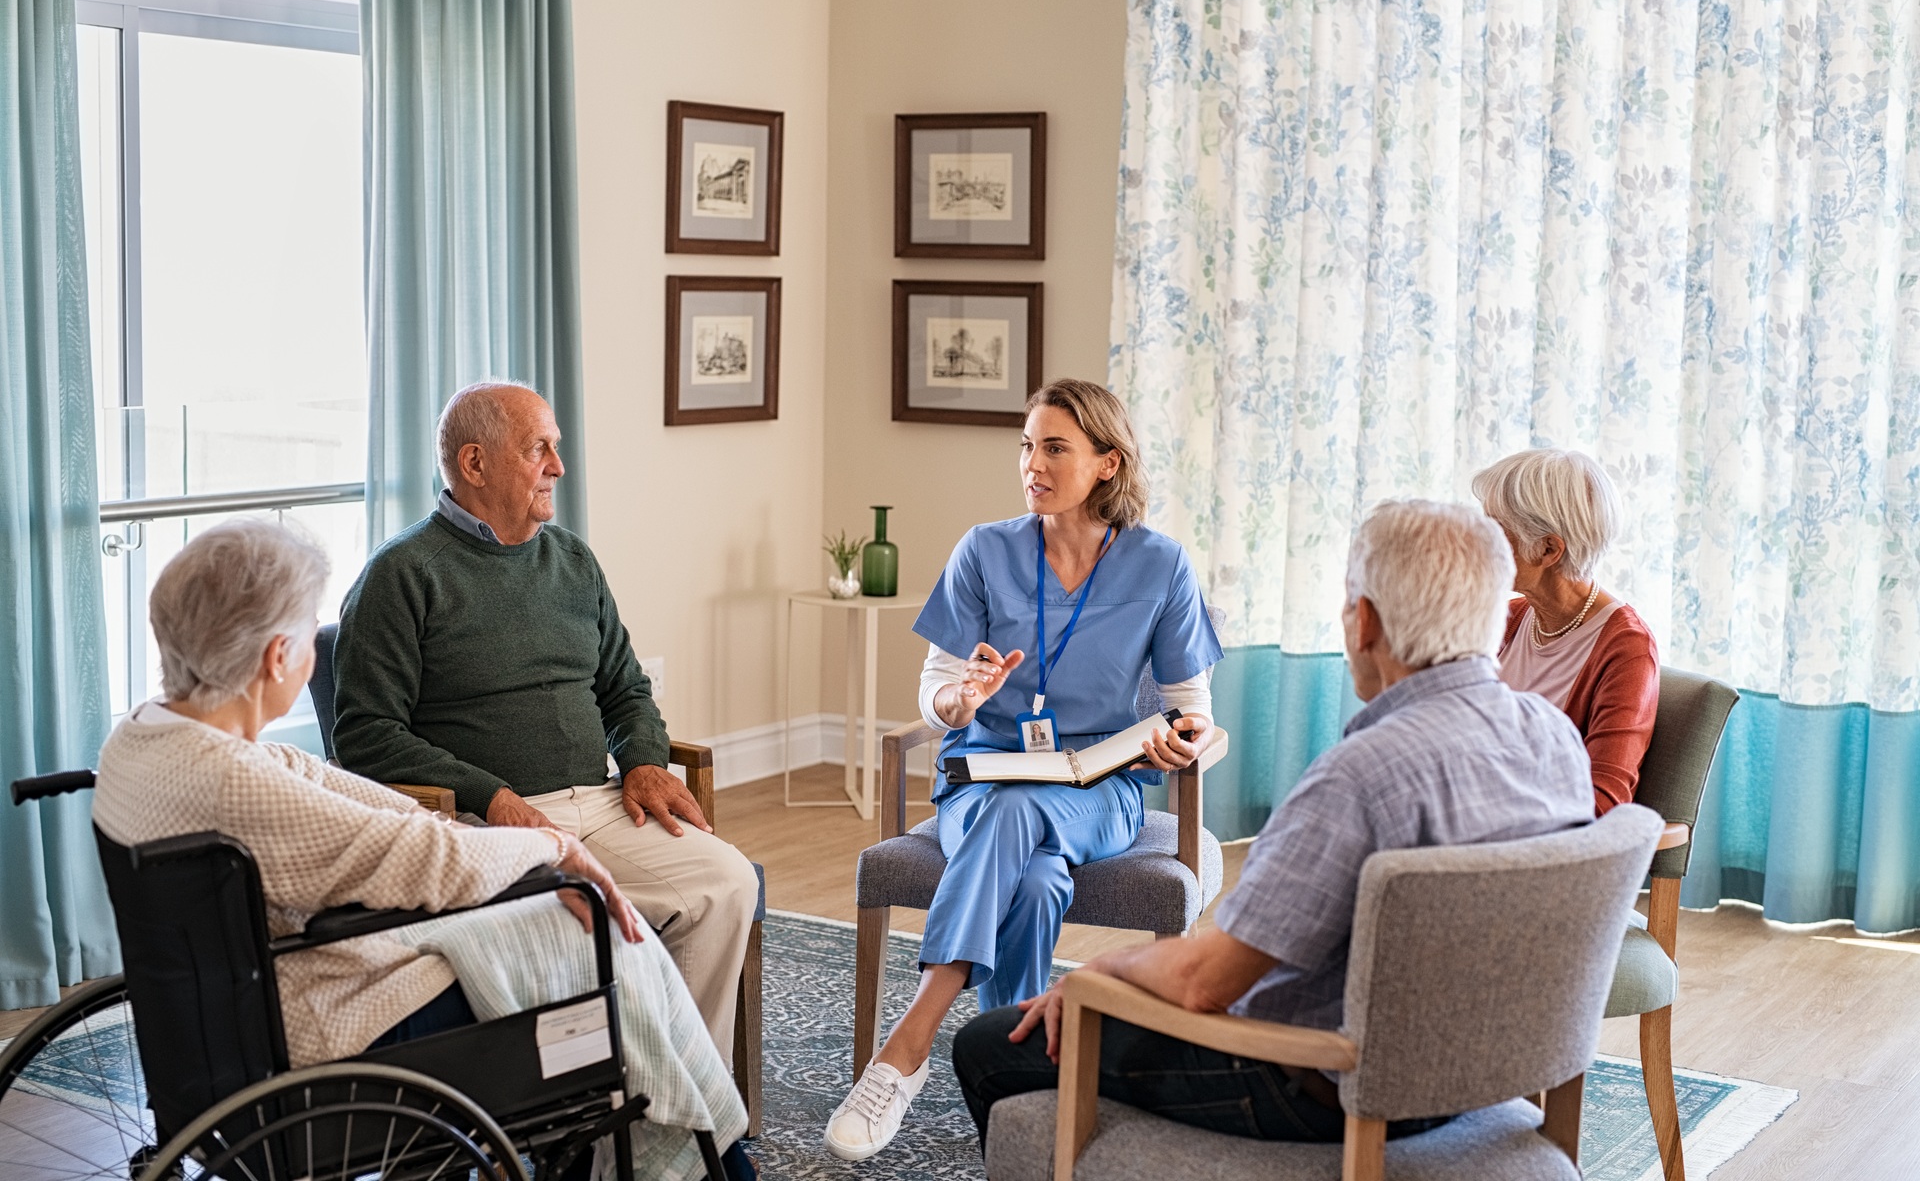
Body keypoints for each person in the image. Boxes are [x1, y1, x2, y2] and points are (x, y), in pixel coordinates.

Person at [91, 520, 752, 1179]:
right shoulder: (235, 782)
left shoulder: (141, 742)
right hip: (326, 1022)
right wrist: (545, 846)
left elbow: (320, 782)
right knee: (599, 944)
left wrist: (479, 835)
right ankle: (692, 1156)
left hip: (216, 1034)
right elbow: (421, 863)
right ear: (277, 657)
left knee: (568, 926)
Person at [950, 500, 1595, 1146]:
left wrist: (1099, 973)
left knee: (990, 1043)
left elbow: (1206, 984)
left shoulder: (1357, 778)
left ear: (1363, 621)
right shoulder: (1557, 741)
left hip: (1311, 1085)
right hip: (1476, 1079)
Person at [824, 379, 1225, 1161]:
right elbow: (936, 688)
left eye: (1054, 448)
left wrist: (1187, 739)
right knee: (1035, 875)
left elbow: (1192, 706)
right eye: (1026, 446)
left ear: (1108, 464)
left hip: (1099, 791)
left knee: (1023, 814)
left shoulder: (1160, 565)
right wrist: (960, 702)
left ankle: (906, 1047)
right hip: (982, 776)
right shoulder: (985, 549)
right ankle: (1012, 1088)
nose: (1031, 465)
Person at [332, 381, 758, 1054]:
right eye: (539, 450)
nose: (558, 467)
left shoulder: (572, 561)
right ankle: (595, 1111)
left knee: (726, 882)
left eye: (554, 448)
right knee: (576, 926)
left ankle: (681, 1117)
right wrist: (489, 797)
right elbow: (365, 733)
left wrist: (644, 758)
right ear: (475, 465)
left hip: (604, 802)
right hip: (487, 825)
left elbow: (624, 686)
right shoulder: (402, 574)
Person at [1472, 448, 1660, 813]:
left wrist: (1485, 811)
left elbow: (1603, 800)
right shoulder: (1505, 618)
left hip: (1532, 849)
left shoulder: (1627, 649)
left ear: (1547, 549)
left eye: (1492, 531)